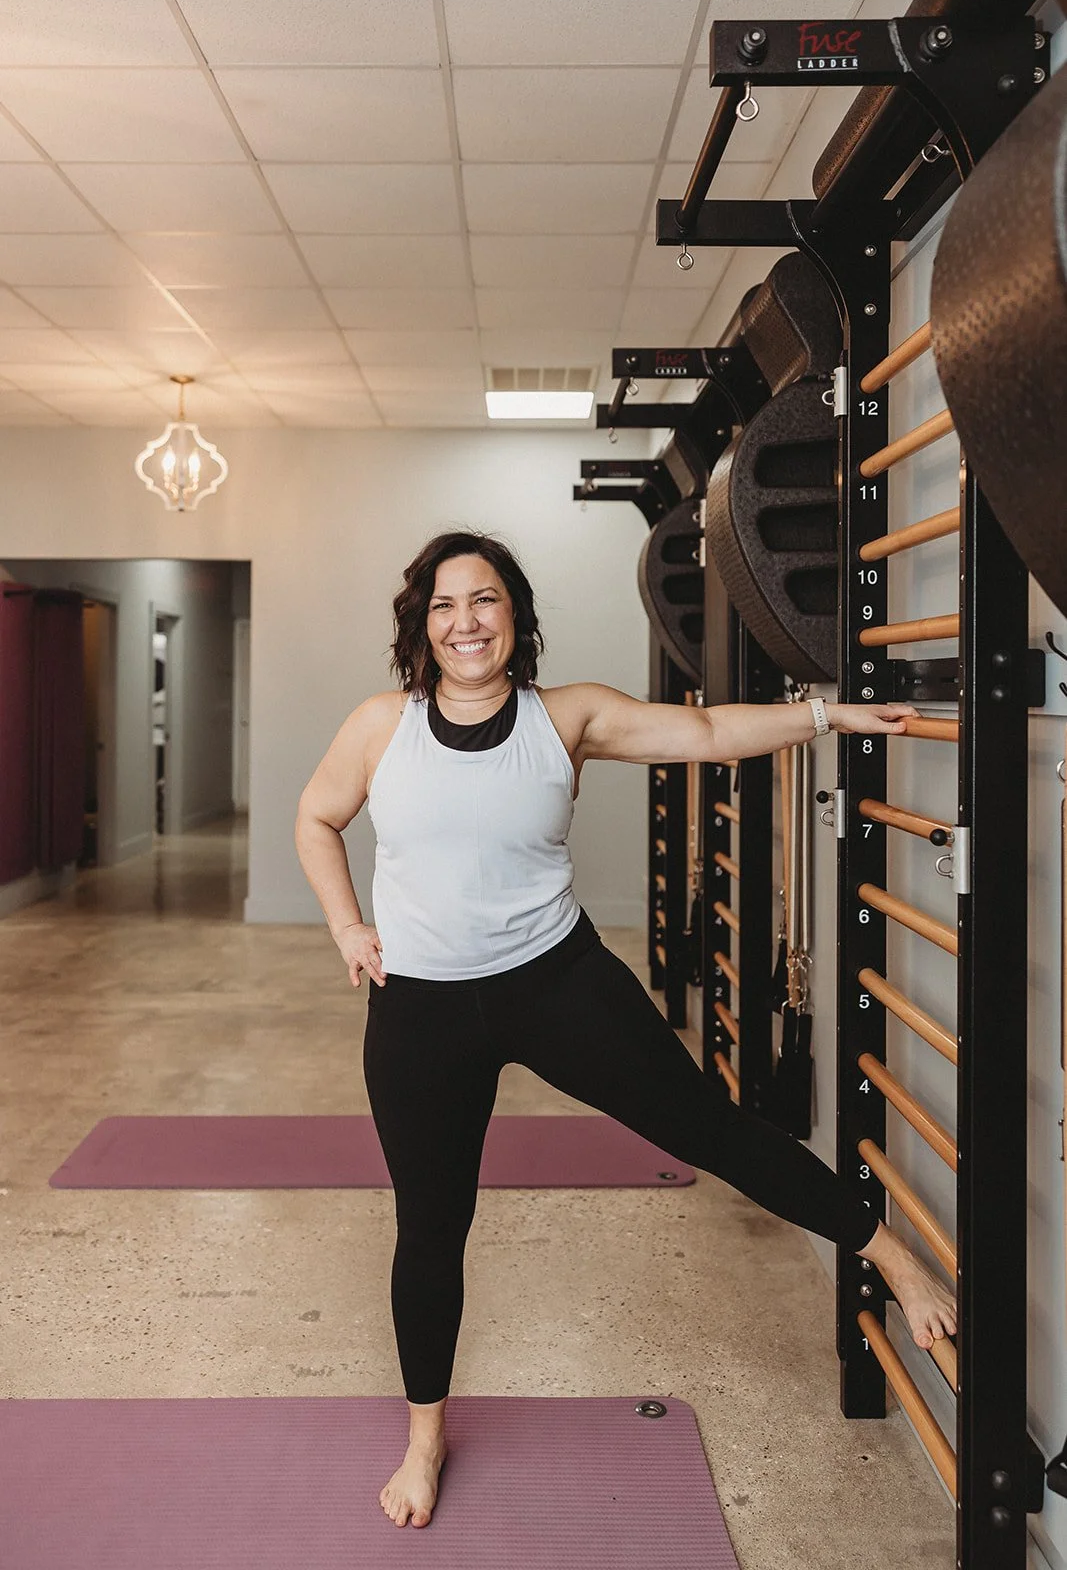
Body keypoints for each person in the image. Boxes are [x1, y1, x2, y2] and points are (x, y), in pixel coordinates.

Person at [295, 529, 957, 1532]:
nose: (464, 620)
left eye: (483, 600)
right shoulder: (378, 725)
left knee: (710, 1129)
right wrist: (347, 924)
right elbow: (315, 816)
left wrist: (825, 714)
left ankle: (887, 1253)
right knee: (430, 1229)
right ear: (418, 626)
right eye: (443, 604)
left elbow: (701, 734)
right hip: (420, 1006)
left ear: (514, 618)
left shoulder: (566, 716)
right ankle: (424, 1437)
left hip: (554, 980)